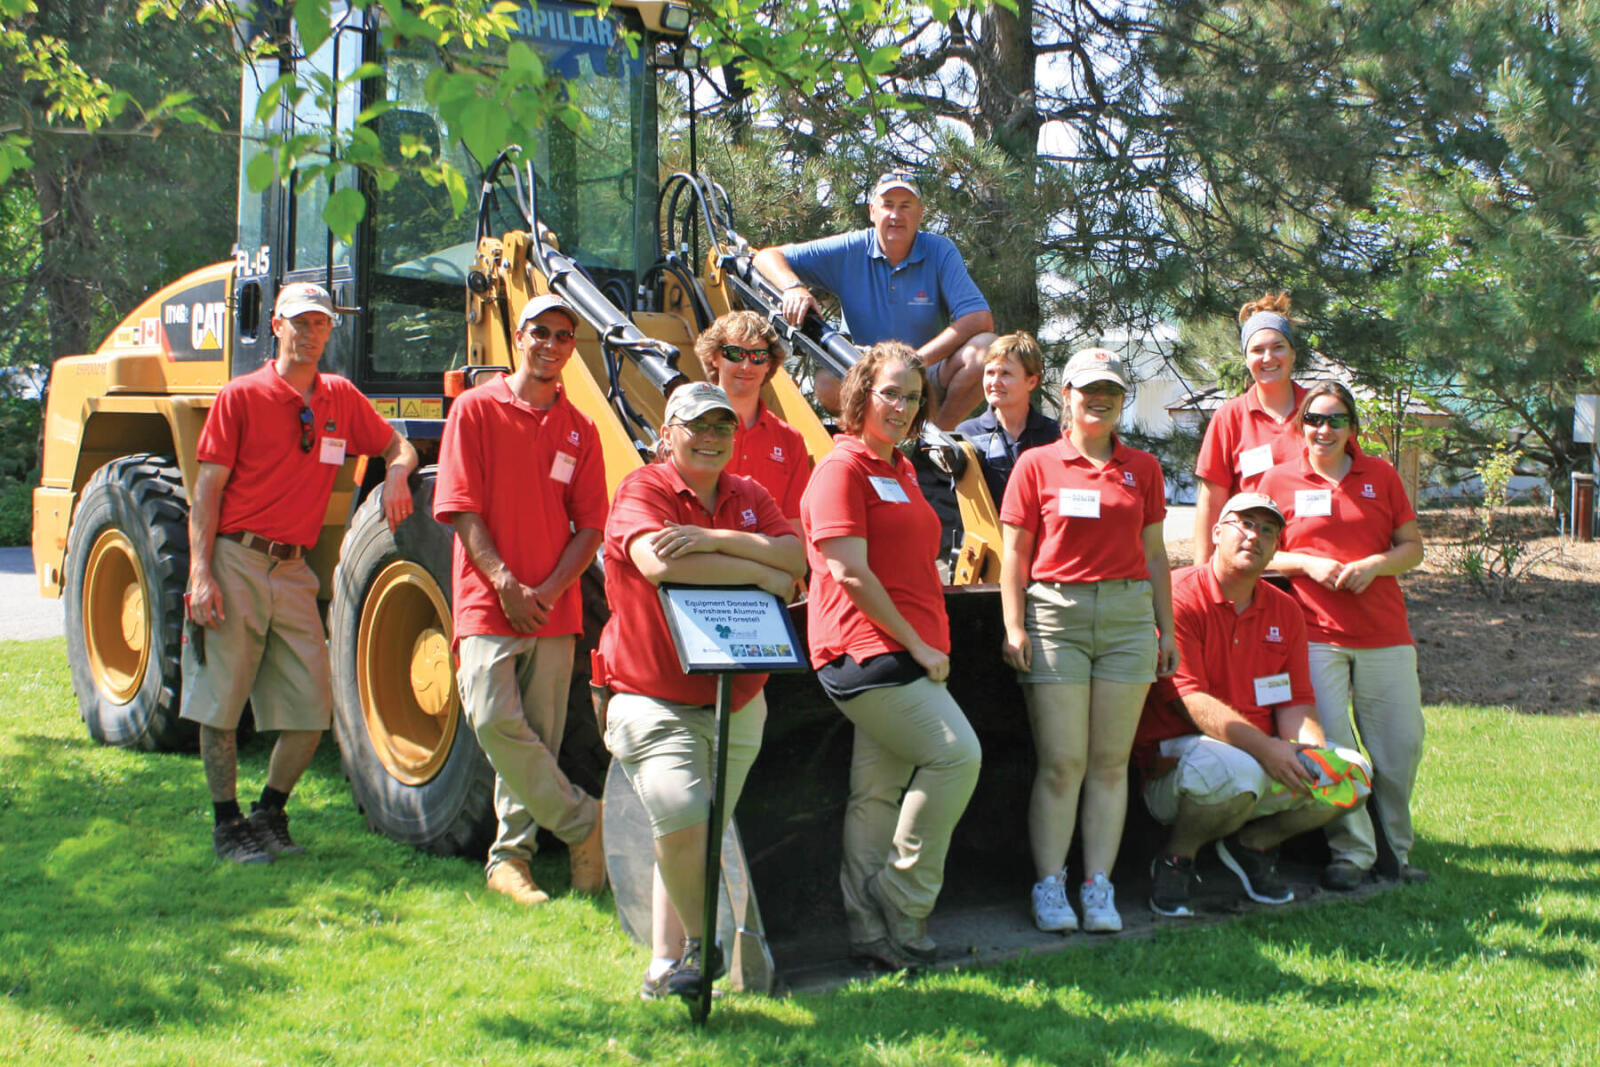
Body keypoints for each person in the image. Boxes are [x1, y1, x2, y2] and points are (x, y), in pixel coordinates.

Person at [183, 282, 419, 864]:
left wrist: (395, 474)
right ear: (275, 326)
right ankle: (226, 824)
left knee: (313, 705)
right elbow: (205, 493)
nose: (312, 334)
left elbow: (400, 446)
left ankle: (269, 813)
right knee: (221, 703)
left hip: (293, 570)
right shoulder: (239, 398)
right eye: (301, 323)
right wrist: (200, 574)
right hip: (235, 559)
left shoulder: (339, 397)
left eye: (322, 324)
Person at [593, 382, 805, 1001]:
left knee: (699, 832)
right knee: (682, 815)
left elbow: (795, 555)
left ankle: (666, 962)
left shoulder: (751, 494)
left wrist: (714, 541)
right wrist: (761, 571)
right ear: (668, 433)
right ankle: (701, 947)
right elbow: (661, 565)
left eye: (722, 427)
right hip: (650, 692)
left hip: (739, 698)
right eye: (697, 427)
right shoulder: (644, 488)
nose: (711, 438)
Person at [800, 342, 982, 970]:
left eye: (912, 396)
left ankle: (871, 931)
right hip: (865, 650)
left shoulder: (900, 468)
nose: (902, 406)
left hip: (908, 644)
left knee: (876, 793)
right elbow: (848, 572)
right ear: (861, 394)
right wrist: (918, 644)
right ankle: (901, 895)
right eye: (890, 393)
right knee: (957, 756)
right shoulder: (840, 469)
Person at [434, 294, 610, 906]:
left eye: (564, 336)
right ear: (518, 335)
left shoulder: (582, 430)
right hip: (488, 602)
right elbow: (461, 507)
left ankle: (511, 860)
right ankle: (587, 823)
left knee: (538, 734)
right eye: (541, 332)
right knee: (492, 718)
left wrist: (550, 590)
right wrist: (505, 584)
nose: (552, 345)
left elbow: (590, 525)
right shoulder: (476, 412)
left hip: (552, 608)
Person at [999, 348, 1178, 934]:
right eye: (1088, 389)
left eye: (1112, 391)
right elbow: (1015, 555)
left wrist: (1165, 628)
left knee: (1109, 763)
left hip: (1128, 619)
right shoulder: (1037, 464)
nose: (1099, 399)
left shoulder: (1143, 468)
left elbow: (1155, 555)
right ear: (1065, 395)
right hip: (1056, 615)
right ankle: (1050, 885)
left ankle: (1098, 887)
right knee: (1062, 762)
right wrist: (1014, 624)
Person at [1134, 493, 1371, 917]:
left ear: (1278, 545)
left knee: (1352, 773)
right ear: (1216, 532)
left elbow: (1294, 699)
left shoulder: (1285, 610)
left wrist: (1310, 753)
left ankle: (1254, 845)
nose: (1254, 536)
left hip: (1259, 760)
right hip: (1177, 764)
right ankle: (1175, 858)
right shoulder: (1177, 596)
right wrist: (1267, 750)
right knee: (1235, 769)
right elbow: (1188, 702)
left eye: (1267, 530)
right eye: (1243, 524)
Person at [1257, 381, 1427, 889]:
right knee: (1331, 746)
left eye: (1335, 420)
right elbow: (1263, 550)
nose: (1323, 429)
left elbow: (1413, 548)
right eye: (1313, 419)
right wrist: (1307, 563)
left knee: (1400, 747)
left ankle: (1396, 851)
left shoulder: (1381, 475)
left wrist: (1376, 564)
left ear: (1352, 427)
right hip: (1312, 634)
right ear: (1300, 425)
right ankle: (1352, 852)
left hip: (1384, 633)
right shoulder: (1279, 479)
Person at [753, 170, 996, 430]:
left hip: (925, 376)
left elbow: (979, 318)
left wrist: (914, 362)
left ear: (920, 213)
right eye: (888, 205)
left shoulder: (940, 250)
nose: (895, 215)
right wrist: (794, 287)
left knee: (987, 349)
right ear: (872, 211)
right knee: (826, 382)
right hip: (866, 376)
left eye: (905, 206)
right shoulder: (850, 248)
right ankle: (865, 441)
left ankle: (937, 439)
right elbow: (766, 257)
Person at [1193, 292, 1328, 561]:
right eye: (1257, 350)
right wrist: (1203, 575)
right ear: (1245, 359)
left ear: (1293, 354)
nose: (1268, 358)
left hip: (1315, 561)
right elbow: (1211, 505)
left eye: (1278, 347)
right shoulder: (1229, 417)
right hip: (1251, 564)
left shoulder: (1320, 410)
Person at [693, 310, 811, 533]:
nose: (746, 366)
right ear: (714, 357)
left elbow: (795, 526)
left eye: (757, 356)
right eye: (736, 354)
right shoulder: (687, 428)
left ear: (769, 364)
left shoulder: (790, 441)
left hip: (766, 563)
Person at [955, 332, 1060, 507]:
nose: (994, 382)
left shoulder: (1054, 436)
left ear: (1032, 382)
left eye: (1005, 374)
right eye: (989, 372)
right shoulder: (967, 434)